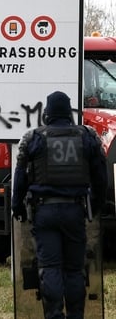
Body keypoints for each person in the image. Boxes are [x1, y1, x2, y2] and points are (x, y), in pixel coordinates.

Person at [12, 91, 107, 319]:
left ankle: (54, 315)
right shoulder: (88, 136)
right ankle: (76, 315)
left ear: (47, 113)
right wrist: (95, 205)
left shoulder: (33, 137)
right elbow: (100, 177)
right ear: (69, 112)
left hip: (44, 212)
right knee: (74, 269)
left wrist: (17, 206)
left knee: (50, 268)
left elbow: (20, 176)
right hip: (75, 211)